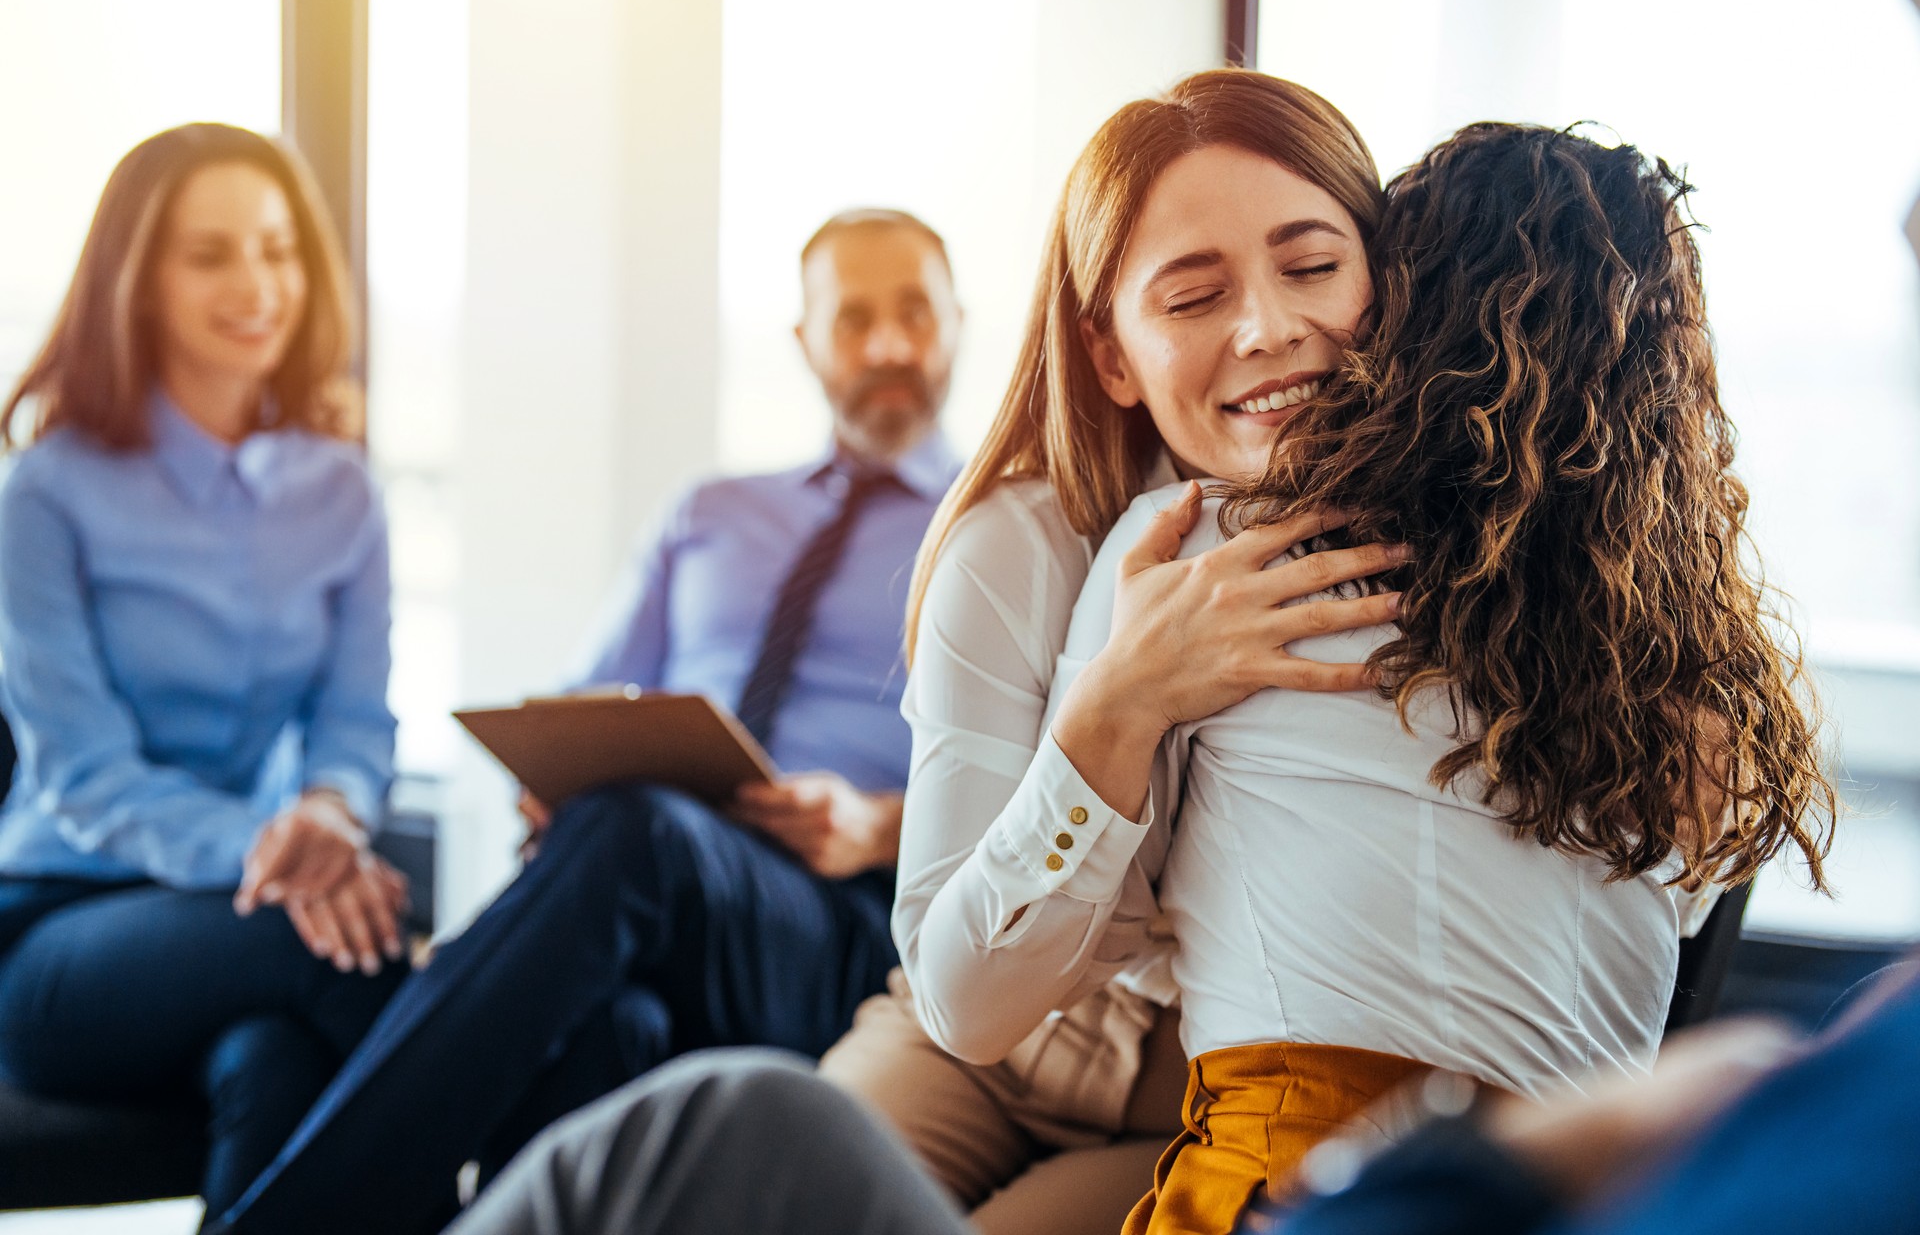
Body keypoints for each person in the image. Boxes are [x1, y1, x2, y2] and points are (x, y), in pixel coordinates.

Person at [990, 122, 1834, 1234]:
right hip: (1584, 1197)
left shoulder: (1215, 554)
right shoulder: (1696, 677)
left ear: (1403, 315)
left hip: (1306, 1188)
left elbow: (1081, 937)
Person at [208, 208, 966, 1235]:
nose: (886, 346)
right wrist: (553, 764)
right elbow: (586, 699)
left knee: (633, 833)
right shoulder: (712, 512)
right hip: (657, 890)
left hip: (844, 918)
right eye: (855, 318)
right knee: (616, 1025)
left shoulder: (998, 523)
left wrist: (881, 822)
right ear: (803, 342)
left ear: (959, 322)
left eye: (914, 312)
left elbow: (1050, 785)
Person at [817, 72, 1404, 1235]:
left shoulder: (1463, 549)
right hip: (984, 1040)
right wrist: (1120, 704)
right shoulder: (1017, 548)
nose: (1268, 327)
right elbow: (962, 997)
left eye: (1314, 265)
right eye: (1192, 295)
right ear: (1112, 355)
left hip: (1194, 1082)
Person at [0, 122, 407, 1217]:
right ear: (137, 280)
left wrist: (328, 807)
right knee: (350, 952)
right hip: (56, 933)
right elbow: (82, 773)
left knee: (278, 1065)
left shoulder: (343, 491)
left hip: (252, 922)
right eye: (211, 253)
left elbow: (357, 724)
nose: (257, 283)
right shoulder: (46, 492)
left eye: (277, 250)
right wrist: (285, 850)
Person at [440, 957, 1920, 1235]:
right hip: (1005, 1026)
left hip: (1263, 1121)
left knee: (718, 1133)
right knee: (737, 1121)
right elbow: (962, 977)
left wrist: (1519, 1156)